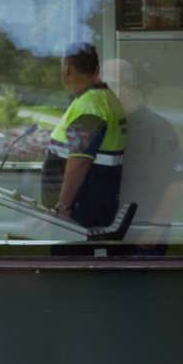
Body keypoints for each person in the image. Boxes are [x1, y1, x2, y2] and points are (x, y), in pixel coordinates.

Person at [107, 58, 183, 251]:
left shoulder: (156, 127)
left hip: (141, 238)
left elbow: (179, 182)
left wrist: (155, 229)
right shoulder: (114, 124)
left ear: (126, 87)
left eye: (107, 84)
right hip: (113, 235)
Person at [43, 42, 126, 230]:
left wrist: (63, 207)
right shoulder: (103, 99)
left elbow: (80, 160)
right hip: (89, 209)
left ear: (67, 68)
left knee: (74, 259)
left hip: (77, 215)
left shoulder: (90, 104)